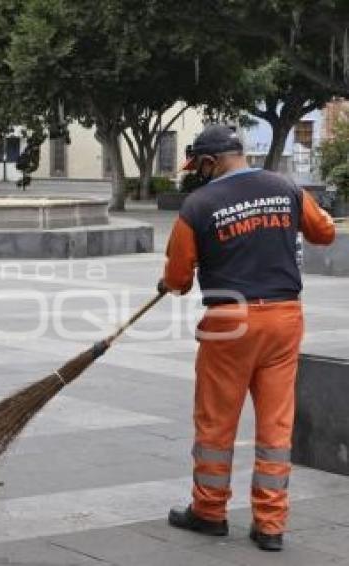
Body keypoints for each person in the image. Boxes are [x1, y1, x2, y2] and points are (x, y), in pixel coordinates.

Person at [162, 125, 335, 552]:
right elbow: (324, 232)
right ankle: (271, 525)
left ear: (209, 161)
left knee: (217, 422)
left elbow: (180, 278)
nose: (197, 174)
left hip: (230, 322)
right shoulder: (285, 186)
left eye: (198, 166)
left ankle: (209, 511)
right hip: (283, 318)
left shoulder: (198, 205)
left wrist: (170, 281)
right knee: (276, 425)